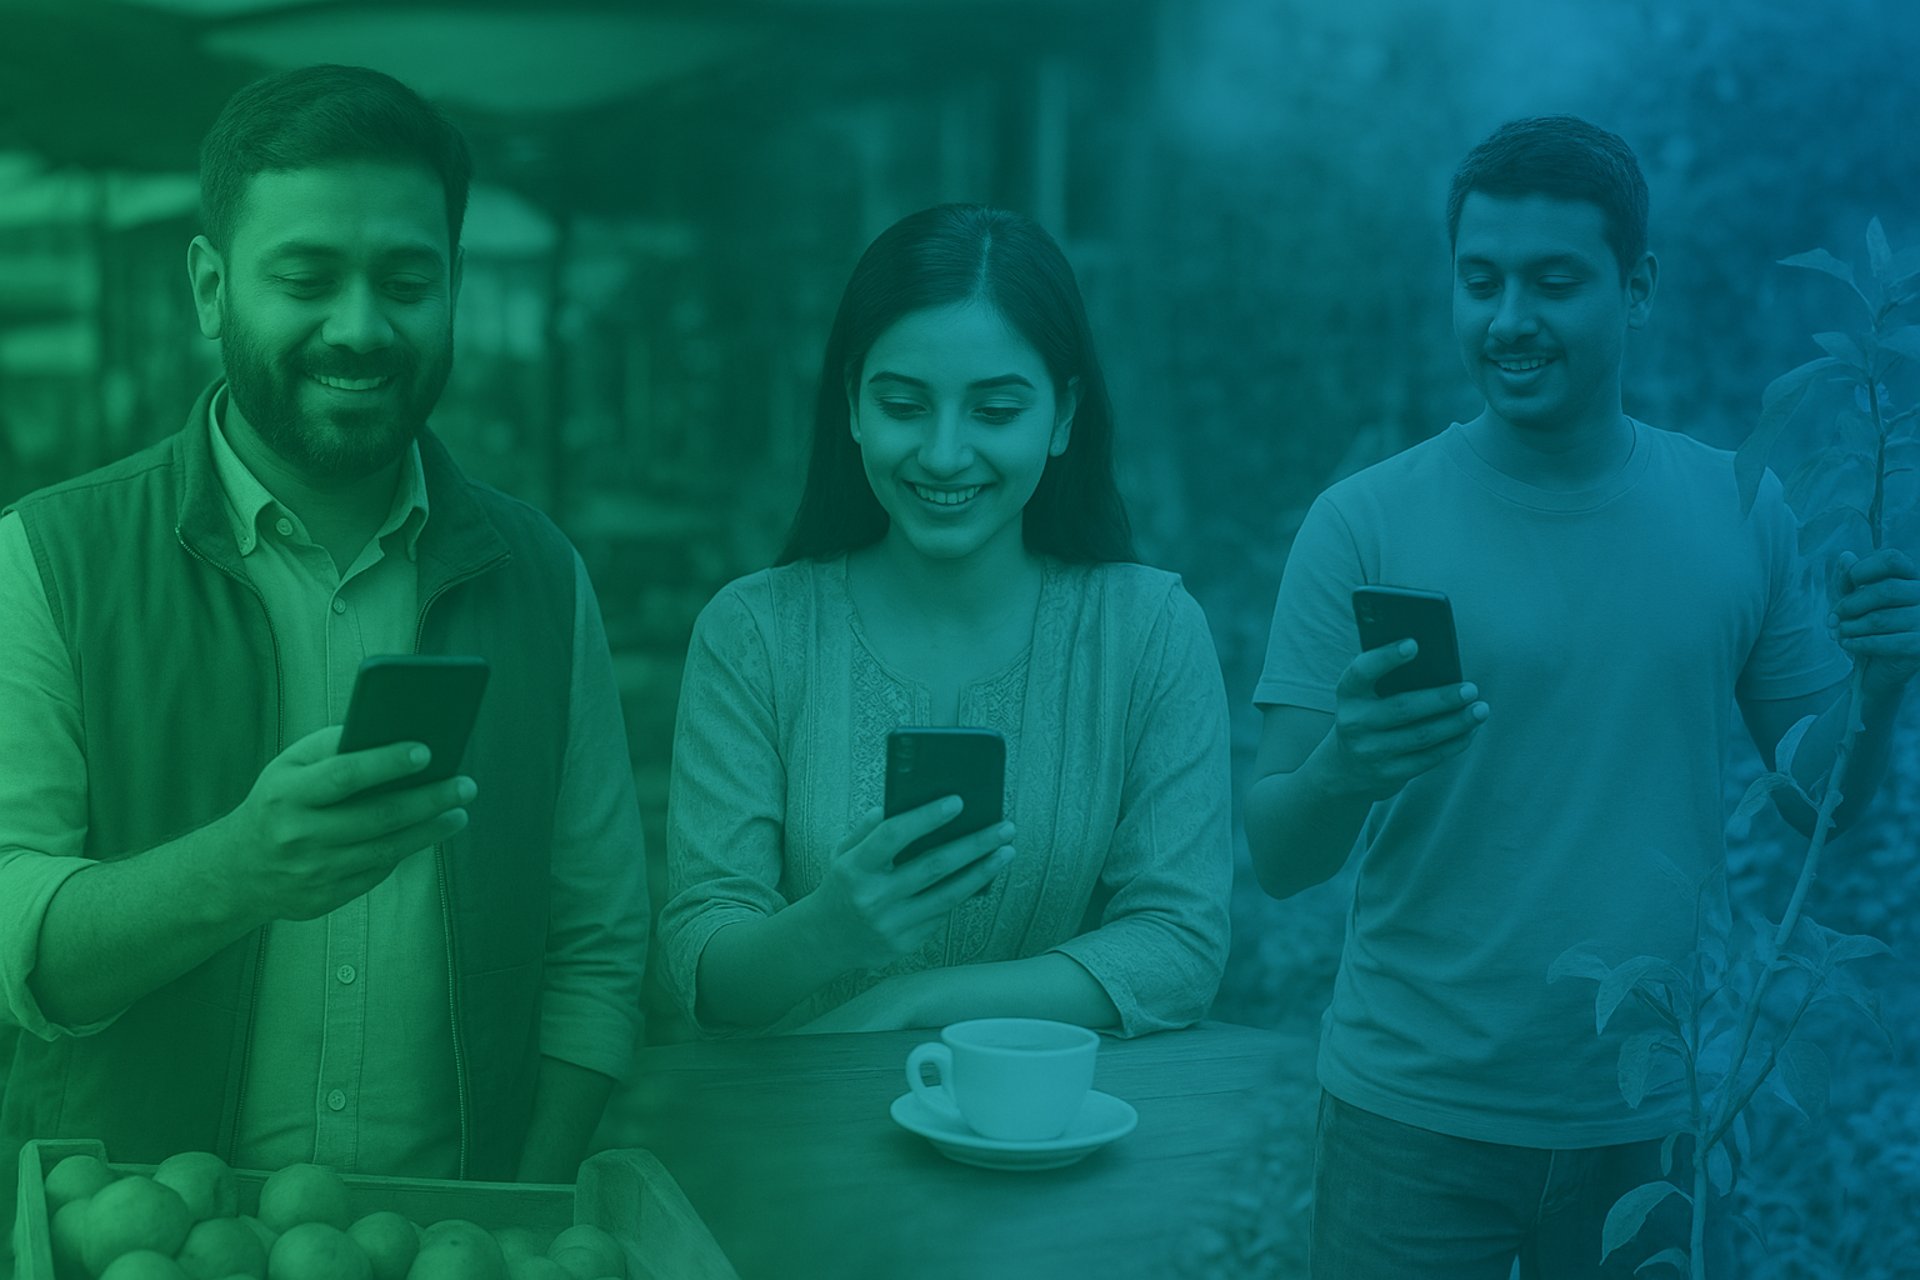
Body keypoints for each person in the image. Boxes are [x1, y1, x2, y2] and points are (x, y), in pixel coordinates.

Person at [1245, 116, 1919, 1278]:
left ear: (1638, 284)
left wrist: (1884, 680)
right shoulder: (1364, 520)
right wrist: (1345, 767)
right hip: (1412, 1111)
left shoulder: (1736, 506)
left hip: (1657, 1103)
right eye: (1480, 280)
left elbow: (1818, 807)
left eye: (1554, 280)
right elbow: (1279, 851)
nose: (1509, 320)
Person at [0, 65, 649, 1190]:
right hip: (142, 1240)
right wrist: (242, 867)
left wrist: (516, 1210)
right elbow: (21, 947)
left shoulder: (544, 578)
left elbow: (597, 947)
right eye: (305, 276)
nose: (360, 326)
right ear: (210, 287)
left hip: (455, 1243)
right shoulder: (44, 558)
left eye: (408, 278)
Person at [657, 204, 1233, 1037]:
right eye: (904, 405)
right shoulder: (754, 632)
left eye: (995, 412)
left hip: (1054, 1146)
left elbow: (1180, 947)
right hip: (804, 1148)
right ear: (853, 403)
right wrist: (831, 929)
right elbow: (703, 973)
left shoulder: (1147, 631)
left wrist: (912, 1002)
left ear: (1064, 415)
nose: (944, 453)